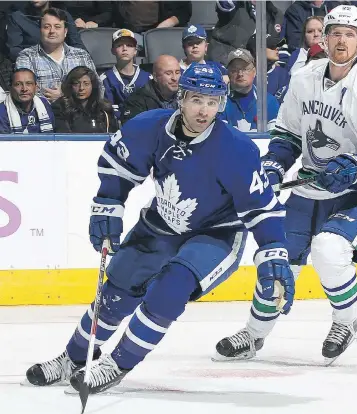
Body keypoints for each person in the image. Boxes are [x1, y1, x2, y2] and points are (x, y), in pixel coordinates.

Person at [25, 63, 295, 394]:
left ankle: (117, 363)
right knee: (116, 290)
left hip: (216, 234)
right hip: (162, 222)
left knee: (171, 287)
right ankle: (73, 358)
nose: (204, 110)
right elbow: (117, 166)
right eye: (196, 100)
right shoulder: (149, 127)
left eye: (212, 102)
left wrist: (273, 252)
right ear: (181, 99)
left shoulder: (237, 149)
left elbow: (262, 209)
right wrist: (108, 204)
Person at [214, 5, 357, 363]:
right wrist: (272, 167)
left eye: (350, 35)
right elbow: (287, 133)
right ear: (324, 37)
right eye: (335, 33)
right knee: (276, 259)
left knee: (329, 251)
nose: (341, 40)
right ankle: (254, 336)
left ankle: (345, 323)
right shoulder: (304, 77)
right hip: (310, 186)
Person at [15, 7, 98, 102]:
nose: (52, 31)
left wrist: (65, 95)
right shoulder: (26, 57)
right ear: (40, 30)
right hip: (45, 114)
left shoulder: (82, 55)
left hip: (80, 112)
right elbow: (23, 92)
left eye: (57, 27)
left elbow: (98, 88)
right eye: (47, 27)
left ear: (65, 32)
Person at [219, 48, 280, 132]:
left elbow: (274, 137)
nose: (240, 74)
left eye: (245, 69)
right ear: (228, 73)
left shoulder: (268, 101)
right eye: (235, 70)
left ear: (254, 72)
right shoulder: (219, 100)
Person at [6, 1, 86, 62]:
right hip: (32, 65)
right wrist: (41, 62)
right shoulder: (18, 17)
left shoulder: (63, 15)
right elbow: (14, 51)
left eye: (56, 26)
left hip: (64, 63)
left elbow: (77, 45)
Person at [101, 29, 151, 120]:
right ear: (113, 50)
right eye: (119, 45)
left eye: (129, 45)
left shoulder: (147, 77)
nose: (124, 48)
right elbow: (108, 110)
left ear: (135, 50)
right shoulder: (106, 79)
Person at [52, 66, 118, 133]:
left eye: (86, 84)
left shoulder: (104, 109)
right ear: (70, 85)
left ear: (93, 86)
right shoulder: (60, 107)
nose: (81, 88)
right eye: (76, 84)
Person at [120, 55, 180, 124]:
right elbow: (131, 130)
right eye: (168, 73)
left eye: (177, 72)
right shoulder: (136, 101)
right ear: (155, 77)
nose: (175, 78)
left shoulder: (187, 96)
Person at [0, 68, 54, 134]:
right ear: (10, 88)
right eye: (18, 84)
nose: (24, 89)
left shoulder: (44, 104)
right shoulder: (2, 111)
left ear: (36, 87)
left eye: (29, 83)